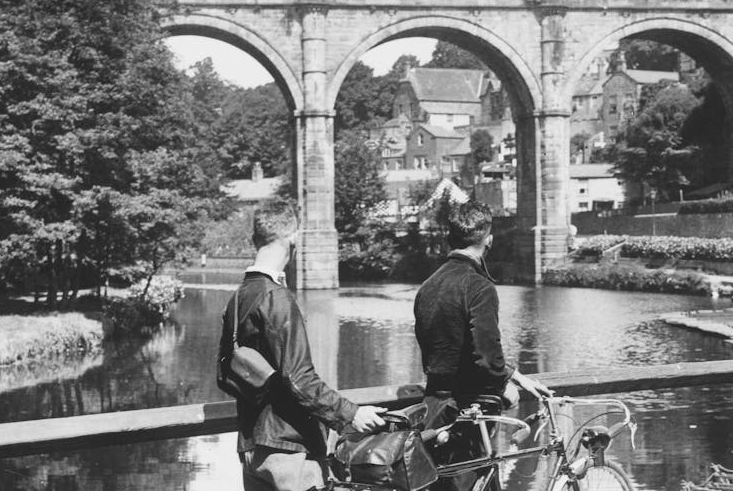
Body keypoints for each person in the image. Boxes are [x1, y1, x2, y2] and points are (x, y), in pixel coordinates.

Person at [218, 199, 385, 491]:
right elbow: (299, 378)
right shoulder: (277, 298)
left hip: (252, 449)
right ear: (293, 239)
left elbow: (227, 375)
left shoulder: (239, 297)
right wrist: (351, 413)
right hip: (289, 452)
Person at [414, 201, 550, 491]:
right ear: (488, 239)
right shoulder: (479, 286)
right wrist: (506, 386)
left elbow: (442, 347)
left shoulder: (427, 286)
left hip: (434, 406)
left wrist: (516, 375)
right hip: (470, 410)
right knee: (480, 482)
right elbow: (486, 357)